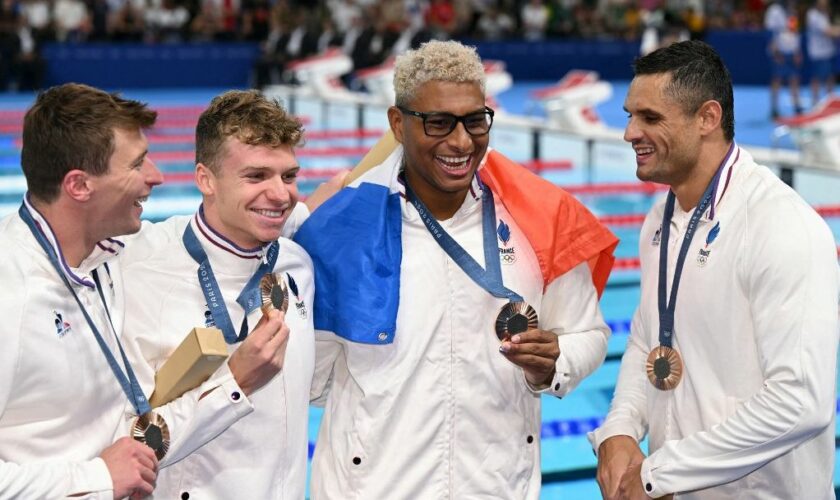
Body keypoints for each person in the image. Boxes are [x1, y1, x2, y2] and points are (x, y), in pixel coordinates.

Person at [295, 40, 619, 499]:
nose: (461, 142)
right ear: (397, 123)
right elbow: (310, 379)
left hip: (496, 486)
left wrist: (555, 364)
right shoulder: (344, 232)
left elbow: (589, 333)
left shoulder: (538, 219)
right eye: (439, 123)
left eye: (474, 120)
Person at [590, 40, 839, 500]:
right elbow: (649, 340)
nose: (628, 132)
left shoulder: (781, 226)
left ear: (707, 118)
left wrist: (660, 474)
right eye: (629, 115)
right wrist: (620, 427)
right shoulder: (658, 221)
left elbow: (801, 402)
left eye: (650, 117)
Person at [120, 89, 314, 499]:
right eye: (256, 176)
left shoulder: (298, 264)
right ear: (205, 179)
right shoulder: (141, 271)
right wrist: (235, 382)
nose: (281, 195)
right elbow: (129, 445)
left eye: (289, 176)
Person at [0, 83, 163, 498]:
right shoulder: (10, 296)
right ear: (79, 186)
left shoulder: (112, 251)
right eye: (137, 164)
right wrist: (95, 479)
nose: (156, 176)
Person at [765, 0, 804, 118]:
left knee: (794, 79)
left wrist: (797, 51)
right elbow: (770, 32)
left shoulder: (792, 11)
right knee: (777, 80)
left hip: (791, 51)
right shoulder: (774, 10)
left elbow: (794, 32)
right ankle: (774, 108)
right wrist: (775, 52)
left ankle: (797, 106)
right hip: (779, 51)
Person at [806, 0, 839, 106]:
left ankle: (830, 103)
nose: (825, 2)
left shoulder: (825, 13)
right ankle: (815, 104)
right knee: (817, 78)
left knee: (830, 78)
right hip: (818, 53)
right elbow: (828, 31)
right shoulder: (812, 15)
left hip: (828, 51)